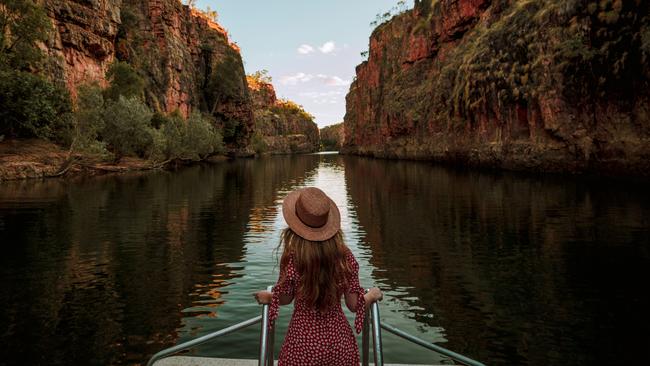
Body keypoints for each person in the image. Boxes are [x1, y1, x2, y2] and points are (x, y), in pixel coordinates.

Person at [254, 187, 383, 365]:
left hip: (302, 344)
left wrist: (270, 296)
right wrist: (372, 294)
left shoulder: (293, 257)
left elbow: (285, 297)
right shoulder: (344, 257)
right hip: (339, 343)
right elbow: (354, 305)